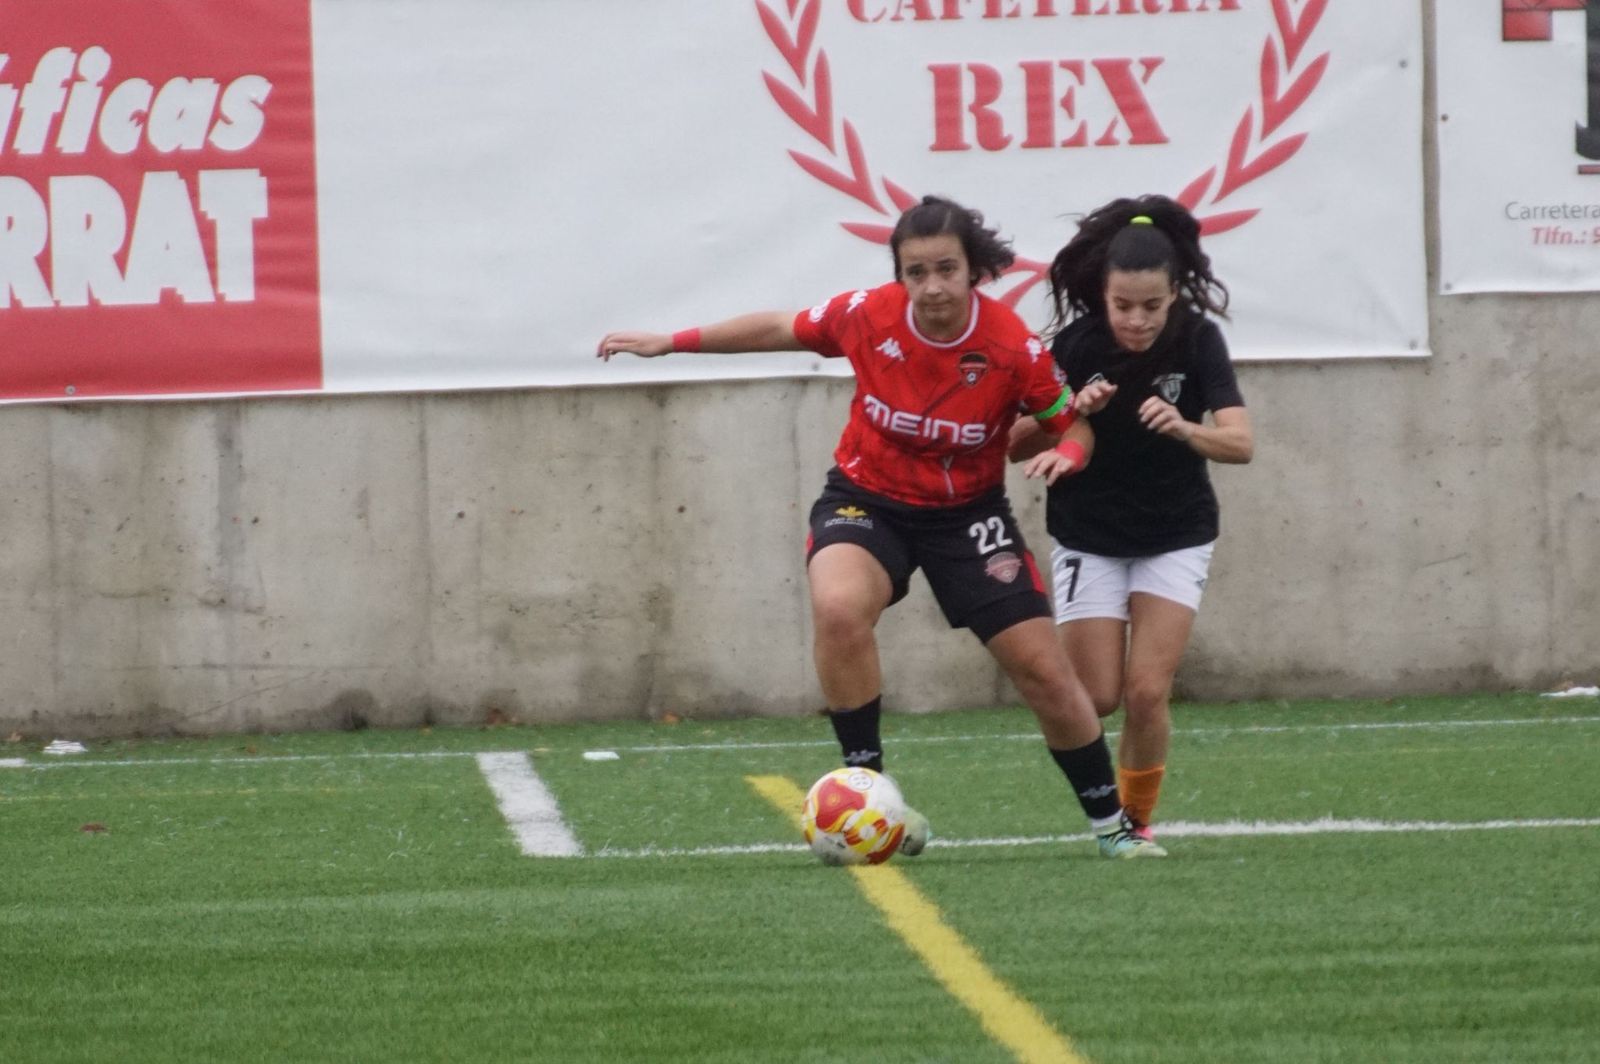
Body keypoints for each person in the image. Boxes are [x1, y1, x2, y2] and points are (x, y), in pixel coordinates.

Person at [598, 195, 1164, 858]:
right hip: (867, 500)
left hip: (968, 515)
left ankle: (1111, 828)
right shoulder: (868, 315)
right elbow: (782, 327)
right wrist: (674, 342)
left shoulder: (1013, 347)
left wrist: (1066, 452)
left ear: (975, 270)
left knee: (1043, 669)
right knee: (838, 608)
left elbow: (1073, 421)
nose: (931, 286)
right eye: (915, 272)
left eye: (945, 269)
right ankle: (871, 789)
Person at [1010, 194, 1254, 853]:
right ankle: (1103, 801)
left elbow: (1242, 442)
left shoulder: (1200, 339)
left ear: (1176, 293)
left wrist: (1184, 428)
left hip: (1175, 534)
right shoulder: (1077, 343)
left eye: (1152, 306)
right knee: (1097, 696)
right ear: (1103, 295)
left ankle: (1132, 826)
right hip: (1089, 533)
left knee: (1147, 692)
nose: (1137, 320)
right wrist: (1066, 411)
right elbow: (1014, 443)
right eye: (1123, 306)